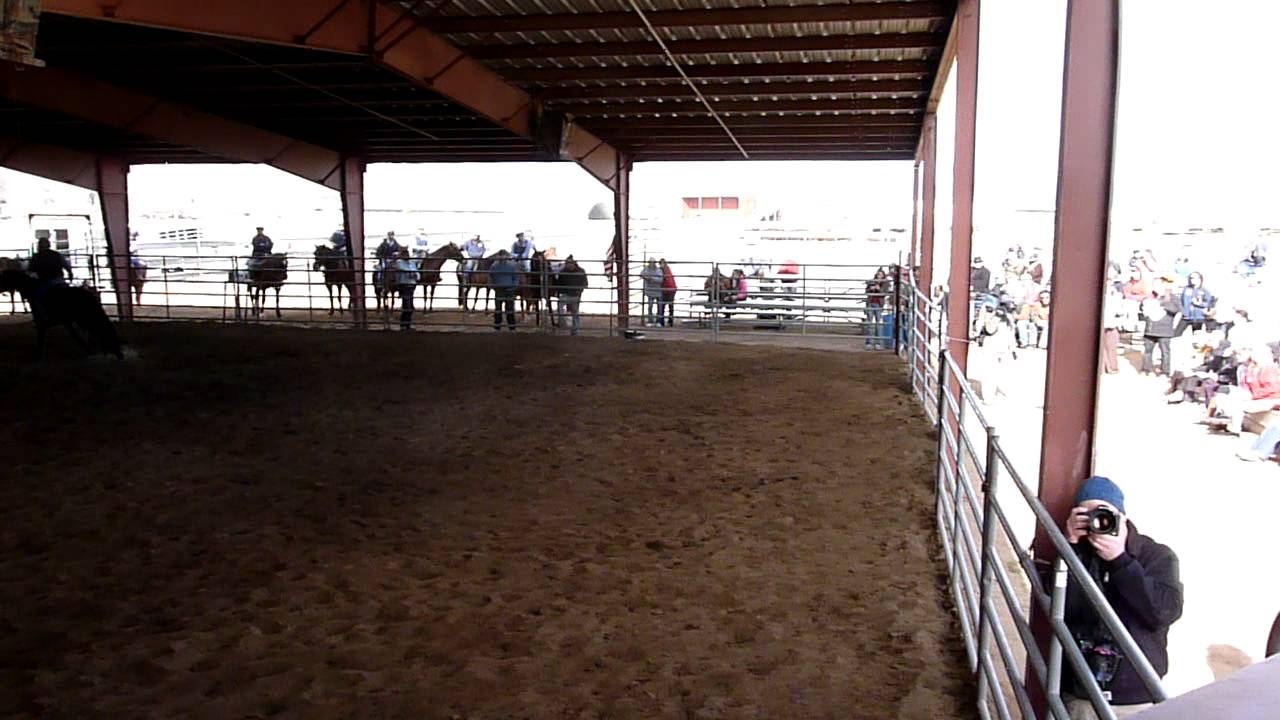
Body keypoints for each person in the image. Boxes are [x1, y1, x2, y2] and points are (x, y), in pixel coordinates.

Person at [1060, 476, 1183, 719]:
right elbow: (1062, 610)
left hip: (1137, 698)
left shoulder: (1157, 556)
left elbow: (1163, 612)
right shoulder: (1075, 555)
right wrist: (1070, 548)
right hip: (1083, 694)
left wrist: (1121, 561)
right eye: (1087, 515)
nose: (1097, 522)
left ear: (1122, 517)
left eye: (1104, 514)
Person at [1206, 347, 1280, 434]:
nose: (1254, 357)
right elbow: (1246, 384)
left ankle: (1234, 428)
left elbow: (1273, 389)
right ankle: (1223, 417)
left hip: (1270, 399)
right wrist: (1246, 393)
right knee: (1224, 394)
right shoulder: (1252, 368)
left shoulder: (1269, 369)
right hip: (1256, 396)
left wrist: (1253, 395)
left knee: (1238, 405)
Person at [1140, 278, 1181, 376]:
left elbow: (1176, 309)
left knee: (1165, 352)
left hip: (1164, 330)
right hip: (1150, 329)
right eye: (1154, 285)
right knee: (1147, 351)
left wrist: (1161, 304)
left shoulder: (1171, 297)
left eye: (1158, 285)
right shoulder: (1149, 296)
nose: (1156, 287)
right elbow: (1142, 310)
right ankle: (1146, 369)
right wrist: (1145, 305)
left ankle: (1165, 371)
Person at [553, 255, 588, 335]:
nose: (568, 265)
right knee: (560, 307)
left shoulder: (580, 271)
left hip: (575, 295)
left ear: (573, 263)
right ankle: (564, 322)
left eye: (569, 264)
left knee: (575, 312)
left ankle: (574, 331)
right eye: (567, 264)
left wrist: (579, 291)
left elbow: (585, 283)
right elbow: (559, 284)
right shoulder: (563, 272)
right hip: (566, 294)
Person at [489, 250, 519, 331]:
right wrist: (493, 286)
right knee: (499, 309)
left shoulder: (510, 266)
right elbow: (490, 278)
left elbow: (515, 277)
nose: (502, 257)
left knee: (509, 309)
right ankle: (500, 326)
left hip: (508, 289)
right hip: (500, 289)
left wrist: (513, 287)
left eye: (504, 255)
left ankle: (510, 327)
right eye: (501, 256)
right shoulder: (494, 266)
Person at [392, 247, 418, 331]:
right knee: (408, 305)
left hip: (411, 285)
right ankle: (405, 324)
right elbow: (402, 269)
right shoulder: (399, 263)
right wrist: (411, 273)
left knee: (408, 305)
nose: (407, 255)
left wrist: (415, 275)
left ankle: (405, 324)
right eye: (405, 254)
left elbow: (417, 273)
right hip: (404, 285)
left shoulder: (411, 263)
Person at [864, 268, 888, 349]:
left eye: (881, 275)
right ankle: (869, 343)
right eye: (878, 274)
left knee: (879, 324)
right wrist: (870, 289)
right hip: (870, 303)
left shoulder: (886, 283)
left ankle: (879, 343)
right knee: (870, 323)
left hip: (879, 304)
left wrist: (879, 289)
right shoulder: (871, 282)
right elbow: (866, 291)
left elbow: (884, 293)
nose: (879, 276)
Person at [640, 259, 663, 326]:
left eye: (652, 262)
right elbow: (641, 274)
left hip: (658, 291)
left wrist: (653, 279)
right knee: (650, 306)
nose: (651, 264)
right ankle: (651, 320)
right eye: (650, 262)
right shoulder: (646, 269)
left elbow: (661, 279)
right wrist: (647, 277)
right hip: (649, 291)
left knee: (660, 307)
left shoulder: (658, 270)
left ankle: (658, 321)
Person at [660, 258, 677, 327]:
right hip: (672, 288)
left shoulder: (662, 270)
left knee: (663, 306)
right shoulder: (668, 269)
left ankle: (662, 321)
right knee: (670, 306)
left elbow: (664, 280)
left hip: (667, 289)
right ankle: (670, 321)